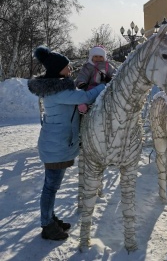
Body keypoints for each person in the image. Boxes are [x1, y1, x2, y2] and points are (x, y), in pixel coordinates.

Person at [28, 46, 105, 241]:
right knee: (50, 187)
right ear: (57, 69)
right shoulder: (57, 91)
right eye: (66, 66)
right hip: (55, 146)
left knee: (51, 186)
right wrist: (104, 85)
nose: (70, 69)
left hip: (55, 144)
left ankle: (50, 218)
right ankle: (46, 225)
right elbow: (86, 97)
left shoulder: (56, 87)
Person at [75, 45, 116, 114]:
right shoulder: (88, 66)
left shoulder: (107, 66)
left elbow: (114, 73)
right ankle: (85, 105)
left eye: (100, 57)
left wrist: (111, 79)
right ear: (91, 57)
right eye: (96, 56)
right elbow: (83, 75)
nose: (98, 59)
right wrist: (81, 82)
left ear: (104, 57)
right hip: (91, 87)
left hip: (105, 88)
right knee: (87, 95)